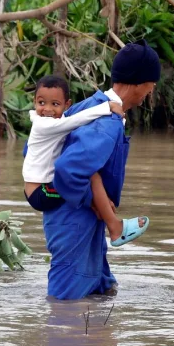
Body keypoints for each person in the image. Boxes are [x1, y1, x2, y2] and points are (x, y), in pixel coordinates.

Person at [30, 40, 160, 300]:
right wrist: (93, 202)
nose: (152, 90)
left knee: (102, 292)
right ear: (138, 83)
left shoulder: (88, 107)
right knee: (64, 307)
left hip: (82, 225)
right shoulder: (107, 122)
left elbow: (34, 148)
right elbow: (68, 170)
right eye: (151, 84)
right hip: (73, 224)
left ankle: (96, 340)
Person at [22, 75, 148, 244]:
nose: (47, 109)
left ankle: (102, 210)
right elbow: (75, 121)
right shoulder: (43, 124)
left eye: (55, 104)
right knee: (91, 177)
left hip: (40, 188)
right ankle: (114, 226)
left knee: (88, 180)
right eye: (41, 103)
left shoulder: (56, 121)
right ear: (34, 101)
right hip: (40, 193)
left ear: (67, 105)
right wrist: (107, 107)